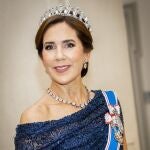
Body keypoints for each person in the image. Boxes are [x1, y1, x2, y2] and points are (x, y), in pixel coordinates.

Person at [14, 3, 127, 150]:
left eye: (69, 45)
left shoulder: (109, 102)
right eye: (49, 47)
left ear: (87, 53)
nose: (59, 56)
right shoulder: (32, 118)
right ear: (42, 58)